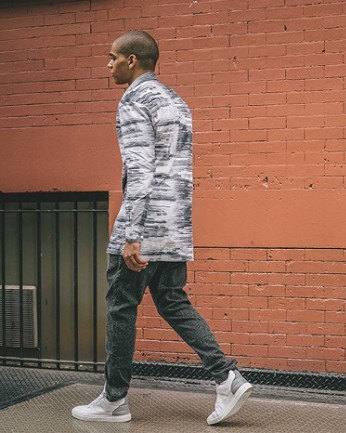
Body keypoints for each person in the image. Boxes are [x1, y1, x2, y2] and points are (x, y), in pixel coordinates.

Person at [71, 30, 252, 425]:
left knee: (121, 307)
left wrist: (132, 233)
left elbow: (139, 169)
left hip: (144, 223)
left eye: (113, 57)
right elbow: (178, 170)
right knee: (172, 301)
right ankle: (227, 378)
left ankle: (114, 400)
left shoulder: (134, 100)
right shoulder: (176, 101)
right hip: (174, 223)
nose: (108, 65)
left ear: (132, 60)